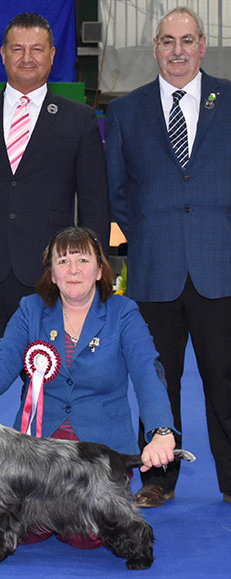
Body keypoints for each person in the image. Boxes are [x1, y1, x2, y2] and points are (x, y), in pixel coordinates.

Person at [0, 12, 110, 509]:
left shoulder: (77, 120)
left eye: (37, 49)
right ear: (3, 54)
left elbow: (94, 203)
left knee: (49, 380)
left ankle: (45, 479)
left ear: (53, 55)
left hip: (51, 281)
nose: (27, 58)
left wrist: (94, 272)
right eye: (17, 48)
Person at [0, 227, 176, 548]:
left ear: (100, 269)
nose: (73, 270)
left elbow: (147, 371)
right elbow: (1, 365)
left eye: (83, 260)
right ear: (52, 273)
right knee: (26, 532)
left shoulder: (123, 312)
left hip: (98, 454)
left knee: (84, 538)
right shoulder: (30, 310)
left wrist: (161, 430)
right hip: (36, 450)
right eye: (63, 261)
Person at [105, 7, 231, 507]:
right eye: (166, 41)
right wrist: (141, 243)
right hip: (153, 272)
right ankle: (158, 479)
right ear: (155, 48)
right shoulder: (124, 112)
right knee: (157, 382)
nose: (177, 50)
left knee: (225, 379)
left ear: (203, 45)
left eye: (186, 40)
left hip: (221, 269)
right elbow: (116, 195)